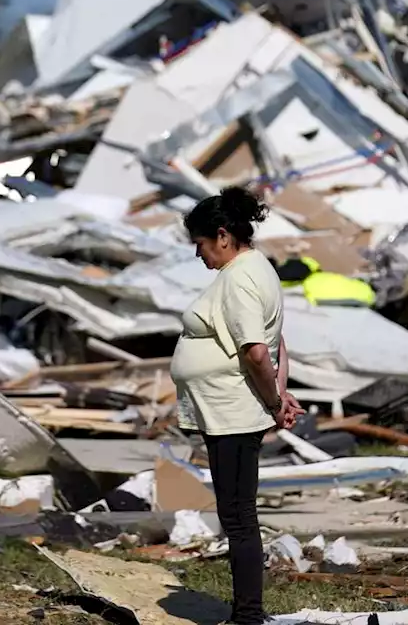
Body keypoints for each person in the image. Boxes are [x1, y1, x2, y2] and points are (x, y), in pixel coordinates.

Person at [169, 186, 305, 625]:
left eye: (202, 244)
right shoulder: (254, 269)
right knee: (238, 513)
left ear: (223, 236)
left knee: (239, 517)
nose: (199, 254)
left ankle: (248, 616)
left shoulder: (240, 276)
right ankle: (246, 613)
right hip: (228, 409)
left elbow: (257, 351)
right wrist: (280, 392)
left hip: (233, 412)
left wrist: (274, 401)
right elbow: (276, 337)